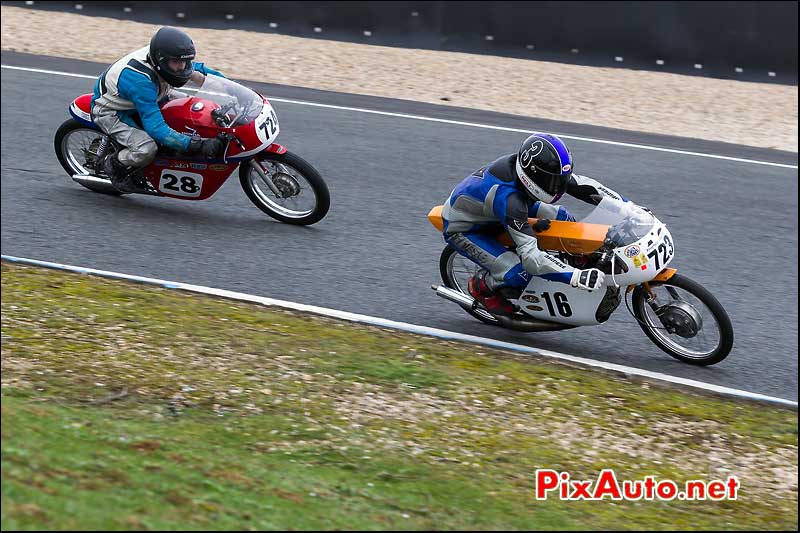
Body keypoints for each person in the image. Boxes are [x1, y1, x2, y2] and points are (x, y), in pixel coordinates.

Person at [442, 133, 633, 316]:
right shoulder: (510, 199)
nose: (558, 186)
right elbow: (531, 258)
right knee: (521, 274)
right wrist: (575, 277)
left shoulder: (531, 175)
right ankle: (482, 286)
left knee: (562, 215)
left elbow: (585, 185)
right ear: (533, 175)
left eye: (559, 179)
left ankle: (577, 259)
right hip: (467, 229)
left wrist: (628, 207)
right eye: (552, 180)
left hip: (496, 211)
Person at [90, 27, 226, 192]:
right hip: (113, 111)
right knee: (147, 148)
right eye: (176, 62)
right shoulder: (141, 82)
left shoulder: (167, 56)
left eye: (185, 61)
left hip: (151, 96)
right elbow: (156, 128)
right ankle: (113, 163)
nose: (182, 67)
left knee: (193, 107)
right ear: (161, 60)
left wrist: (231, 89)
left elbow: (201, 72)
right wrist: (196, 146)